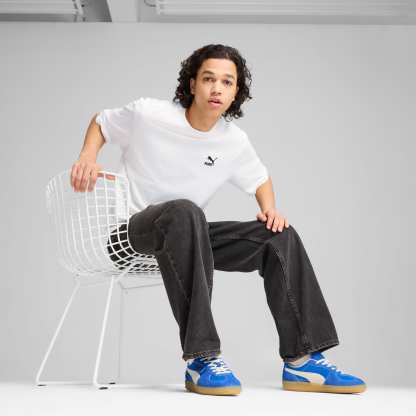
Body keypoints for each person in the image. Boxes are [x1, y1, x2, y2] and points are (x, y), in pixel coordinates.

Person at [70, 44, 366, 396]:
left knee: (279, 236)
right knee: (185, 211)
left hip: (187, 235)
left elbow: (260, 178)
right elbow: (102, 122)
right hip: (130, 235)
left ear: (236, 92)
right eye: (209, 79)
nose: (217, 88)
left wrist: (270, 208)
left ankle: (303, 362)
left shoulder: (233, 141)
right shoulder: (150, 114)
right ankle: (202, 358)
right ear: (192, 84)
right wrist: (88, 156)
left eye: (227, 82)